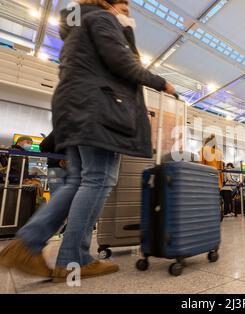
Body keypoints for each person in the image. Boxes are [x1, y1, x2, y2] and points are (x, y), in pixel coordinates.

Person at [0, 0, 177, 282]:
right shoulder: (102, 19)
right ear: (110, 3)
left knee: (79, 180)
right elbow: (122, 62)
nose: (128, 10)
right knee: (99, 178)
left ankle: (28, 244)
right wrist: (161, 82)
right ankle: (73, 258)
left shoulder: (77, 23)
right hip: (99, 109)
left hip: (74, 107)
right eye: (124, 5)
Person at [40, 131, 67, 197]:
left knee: (56, 196)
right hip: (76, 167)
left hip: (55, 167)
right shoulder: (83, 128)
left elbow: (43, 147)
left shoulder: (62, 126)